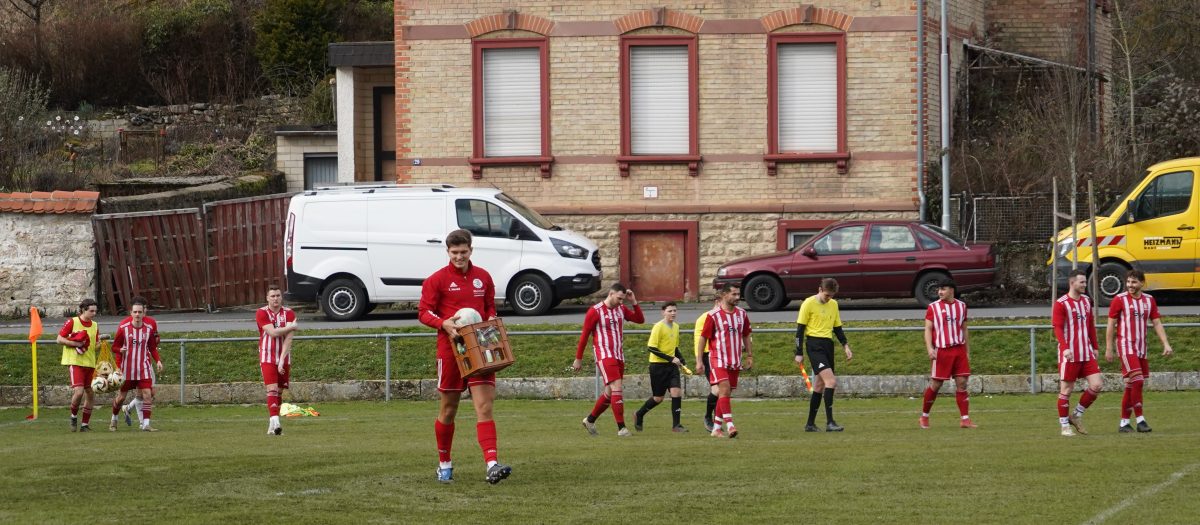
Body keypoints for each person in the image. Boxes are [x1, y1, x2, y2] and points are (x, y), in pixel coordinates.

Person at [418, 229, 511, 485]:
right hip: (451, 351)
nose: (459, 256)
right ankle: (444, 464)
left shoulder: (483, 277)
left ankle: (492, 465)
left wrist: (491, 317)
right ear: (448, 252)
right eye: (455, 252)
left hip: (481, 348)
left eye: (464, 252)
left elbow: (490, 306)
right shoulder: (436, 280)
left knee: (484, 406)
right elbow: (424, 312)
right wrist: (444, 324)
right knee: (448, 410)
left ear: (471, 249)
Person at [573, 282, 645, 437]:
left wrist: (633, 302)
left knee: (609, 393)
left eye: (622, 299)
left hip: (618, 354)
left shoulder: (621, 309)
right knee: (617, 387)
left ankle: (590, 420)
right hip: (604, 354)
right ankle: (622, 428)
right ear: (611, 294)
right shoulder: (595, 311)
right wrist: (578, 358)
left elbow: (639, 320)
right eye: (619, 298)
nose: (621, 302)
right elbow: (585, 335)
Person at [1105, 269, 1173, 433]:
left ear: (1142, 283)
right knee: (1138, 380)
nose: (1130, 285)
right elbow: (1110, 325)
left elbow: (1156, 323)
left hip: (1141, 347)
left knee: (1131, 385)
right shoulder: (1119, 299)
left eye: (1134, 282)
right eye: (1128, 282)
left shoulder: (1149, 300)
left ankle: (1124, 423)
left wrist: (1166, 344)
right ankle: (1141, 420)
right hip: (1125, 345)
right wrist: (1109, 348)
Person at [795, 278, 853, 432]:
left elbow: (837, 327)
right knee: (831, 382)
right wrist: (799, 352)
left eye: (832, 296)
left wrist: (845, 345)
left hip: (828, 345)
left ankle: (810, 424)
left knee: (819, 386)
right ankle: (830, 423)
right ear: (820, 289)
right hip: (814, 346)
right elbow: (800, 330)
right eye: (827, 295)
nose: (829, 299)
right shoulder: (808, 303)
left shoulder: (833, 304)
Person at [696, 283, 752, 438]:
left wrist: (749, 355)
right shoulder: (713, 316)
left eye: (738, 294)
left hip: (735, 360)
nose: (737, 297)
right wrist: (699, 360)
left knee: (725, 393)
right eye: (733, 294)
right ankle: (730, 425)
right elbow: (703, 338)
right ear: (724, 295)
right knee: (724, 389)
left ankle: (716, 429)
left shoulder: (742, 314)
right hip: (717, 359)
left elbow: (746, 335)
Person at [919, 281, 976, 429]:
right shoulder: (933, 307)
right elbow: (927, 329)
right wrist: (930, 348)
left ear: (951, 290)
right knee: (936, 384)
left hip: (959, 349)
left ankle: (965, 419)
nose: (940, 292)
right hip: (942, 351)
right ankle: (924, 416)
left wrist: (967, 351)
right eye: (939, 289)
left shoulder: (962, 306)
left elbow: (964, 329)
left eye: (943, 289)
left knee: (962, 382)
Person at [1052, 269, 1102, 436]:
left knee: (1097, 385)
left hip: (1086, 352)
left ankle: (1076, 415)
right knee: (1066, 389)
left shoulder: (1087, 301)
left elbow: (1090, 325)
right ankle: (1064, 426)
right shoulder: (1061, 303)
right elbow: (1058, 328)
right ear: (1072, 283)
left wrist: (1095, 347)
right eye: (1082, 282)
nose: (1084, 285)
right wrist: (1065, 347)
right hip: (1070, 354)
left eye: (1085, 282)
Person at [109, 297, 162, 432]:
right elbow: (114, 347)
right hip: (127, 369)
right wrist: (120, 350)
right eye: (135, 312)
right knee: (121, 397)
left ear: (144, 313)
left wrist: (158, 361)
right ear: (131, 313)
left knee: (147, 394)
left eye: (140, 312)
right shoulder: (123, 328)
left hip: (143, 367)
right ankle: (114, 419)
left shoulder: (149, 328)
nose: (137, 314)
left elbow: (152, 347)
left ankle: (146, 424)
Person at [634, 302, 687, 433]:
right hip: (657, 367)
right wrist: (670, 358)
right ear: (663, 312)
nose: (673, 313)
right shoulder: (658, 327)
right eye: (670, 311)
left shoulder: (676, 327)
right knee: (658, 398)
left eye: (675, 310)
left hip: (672, 367)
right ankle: (639, 414)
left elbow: (674, 347)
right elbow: (651, 347)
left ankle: (676, 425)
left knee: (676, 392)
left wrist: (681, 359)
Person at [257, 285, 298, 436]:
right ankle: (277, 423)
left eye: (278, 296)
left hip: (283, 356)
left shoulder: (289, 313)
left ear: (282, 297)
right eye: (272, 296)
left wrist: (281, 361)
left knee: (279, 391)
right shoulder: (261, 312)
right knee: (272, 389)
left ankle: (272, 424)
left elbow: (288, 340)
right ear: (267, 298)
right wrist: (291, 327)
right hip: (267, 355)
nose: (275, 299)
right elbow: (273, 333)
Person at [57, 298, 100, 432]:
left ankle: (84, 425)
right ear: (83, 310)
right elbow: (59, 339)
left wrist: (101, 343)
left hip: (90, 363)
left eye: (95, 311)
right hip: (75, 362)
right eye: (91, 311)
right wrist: (76, 344)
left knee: (90, 393)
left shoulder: (95, 325)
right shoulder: (72, 322)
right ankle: (73, 416)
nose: (94, 313)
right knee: (79, 391)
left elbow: (95, 345)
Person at [693, 297, 721, 432]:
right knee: (717, 389)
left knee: (723, 390)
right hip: (708, 356)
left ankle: (718, 421)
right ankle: (708, 417)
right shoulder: (706, 317)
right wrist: (699, 360)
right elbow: (699, 340)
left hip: (721, 356)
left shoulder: (726, 317)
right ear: (717, 302)